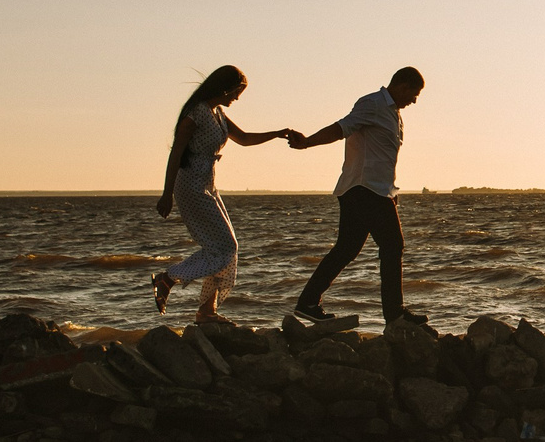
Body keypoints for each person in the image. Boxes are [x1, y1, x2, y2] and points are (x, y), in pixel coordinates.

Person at [286, 66, 426, 327]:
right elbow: (341, 128)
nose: (414, 100)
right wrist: (307, 143)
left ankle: (307, 303)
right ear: (402, 85)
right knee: (393, 245)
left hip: (375, 190)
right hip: (363, 189)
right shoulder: (372, 104)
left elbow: (383, 157)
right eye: (414, 93)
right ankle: (395, 315)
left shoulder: (394, 115)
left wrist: (391, 192)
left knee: (347, 249)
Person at [151, 66, 293, 319]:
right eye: (237, 92)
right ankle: (168, 278)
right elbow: (175, 155)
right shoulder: (195, 115)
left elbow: (245, 138)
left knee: (227, 248)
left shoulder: (217, 114)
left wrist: (277, 133)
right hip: (191, 184)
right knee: (225, 246)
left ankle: (207, 310)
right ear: (225, 88)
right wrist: (167, 193)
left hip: (208, 184)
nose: (237, 98)